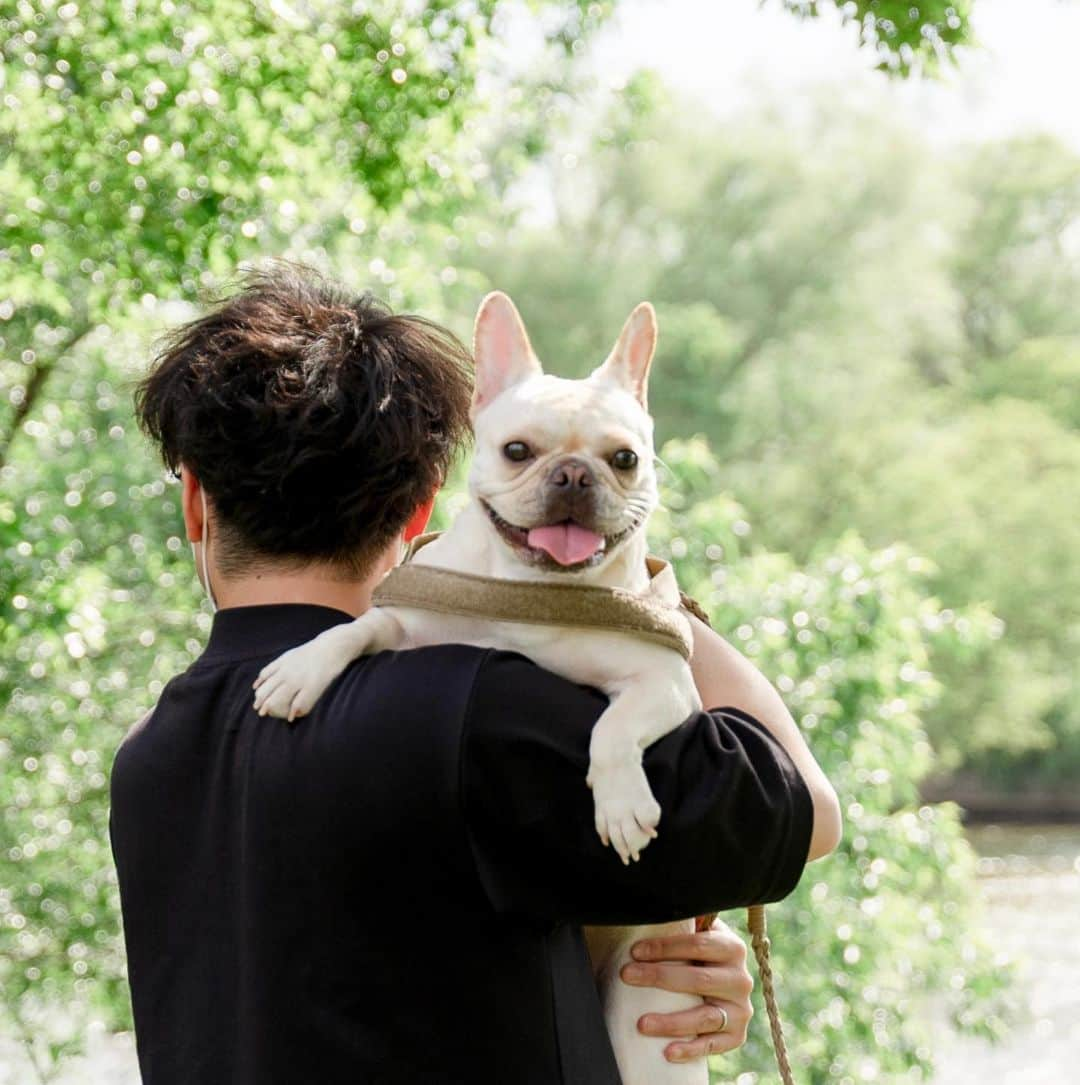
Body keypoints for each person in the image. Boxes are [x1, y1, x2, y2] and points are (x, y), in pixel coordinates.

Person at [110, 264, 841, 1084]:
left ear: (195, 504)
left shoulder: (148, 754)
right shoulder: (483, 713)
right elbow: (805, 810)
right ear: (426, 506)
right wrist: (629, 592)